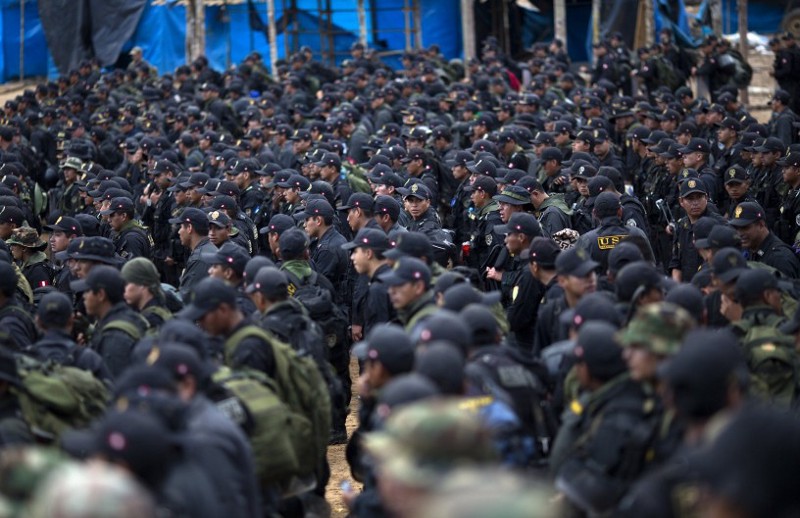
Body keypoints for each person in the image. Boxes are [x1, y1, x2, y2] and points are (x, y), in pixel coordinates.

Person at [728, 201, 800, 278]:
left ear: (761, 225)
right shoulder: (750, 248)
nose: (739, 234)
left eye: (745, 227)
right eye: (736, 228)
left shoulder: (779, 259)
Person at [170, 207, 218, 299]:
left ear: (189, 228)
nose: (179, 232)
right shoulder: (209, 249)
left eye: (181, 227)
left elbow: (185, 299)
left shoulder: (199, 259)